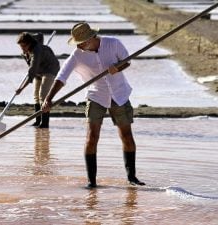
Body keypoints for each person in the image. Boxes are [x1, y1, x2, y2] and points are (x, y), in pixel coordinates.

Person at [41, 22, 145, 188]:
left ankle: (132, 178)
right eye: (78, 43)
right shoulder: (77, 55)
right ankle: (92, 181)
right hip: (96, 95)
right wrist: (48, 98)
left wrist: (117, 68)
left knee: (126, 136)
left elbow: (127, 61)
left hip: (119, 94)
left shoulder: (113, 43)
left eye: (82, 42)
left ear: (91, 38)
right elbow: (61, 77)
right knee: (91, 138)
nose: (80, 45)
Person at [15, 32, 60, 129]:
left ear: (29, 43)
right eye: (20, 46)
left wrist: (21, 88)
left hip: (50, 69)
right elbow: (40, 35)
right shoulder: (29, 47)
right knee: (36, 95)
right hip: (39, 70)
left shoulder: (36, 52)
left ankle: (45, 124)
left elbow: (32, 71)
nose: (22, 48)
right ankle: (37, 121)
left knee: (43, 95)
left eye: (23, 46)